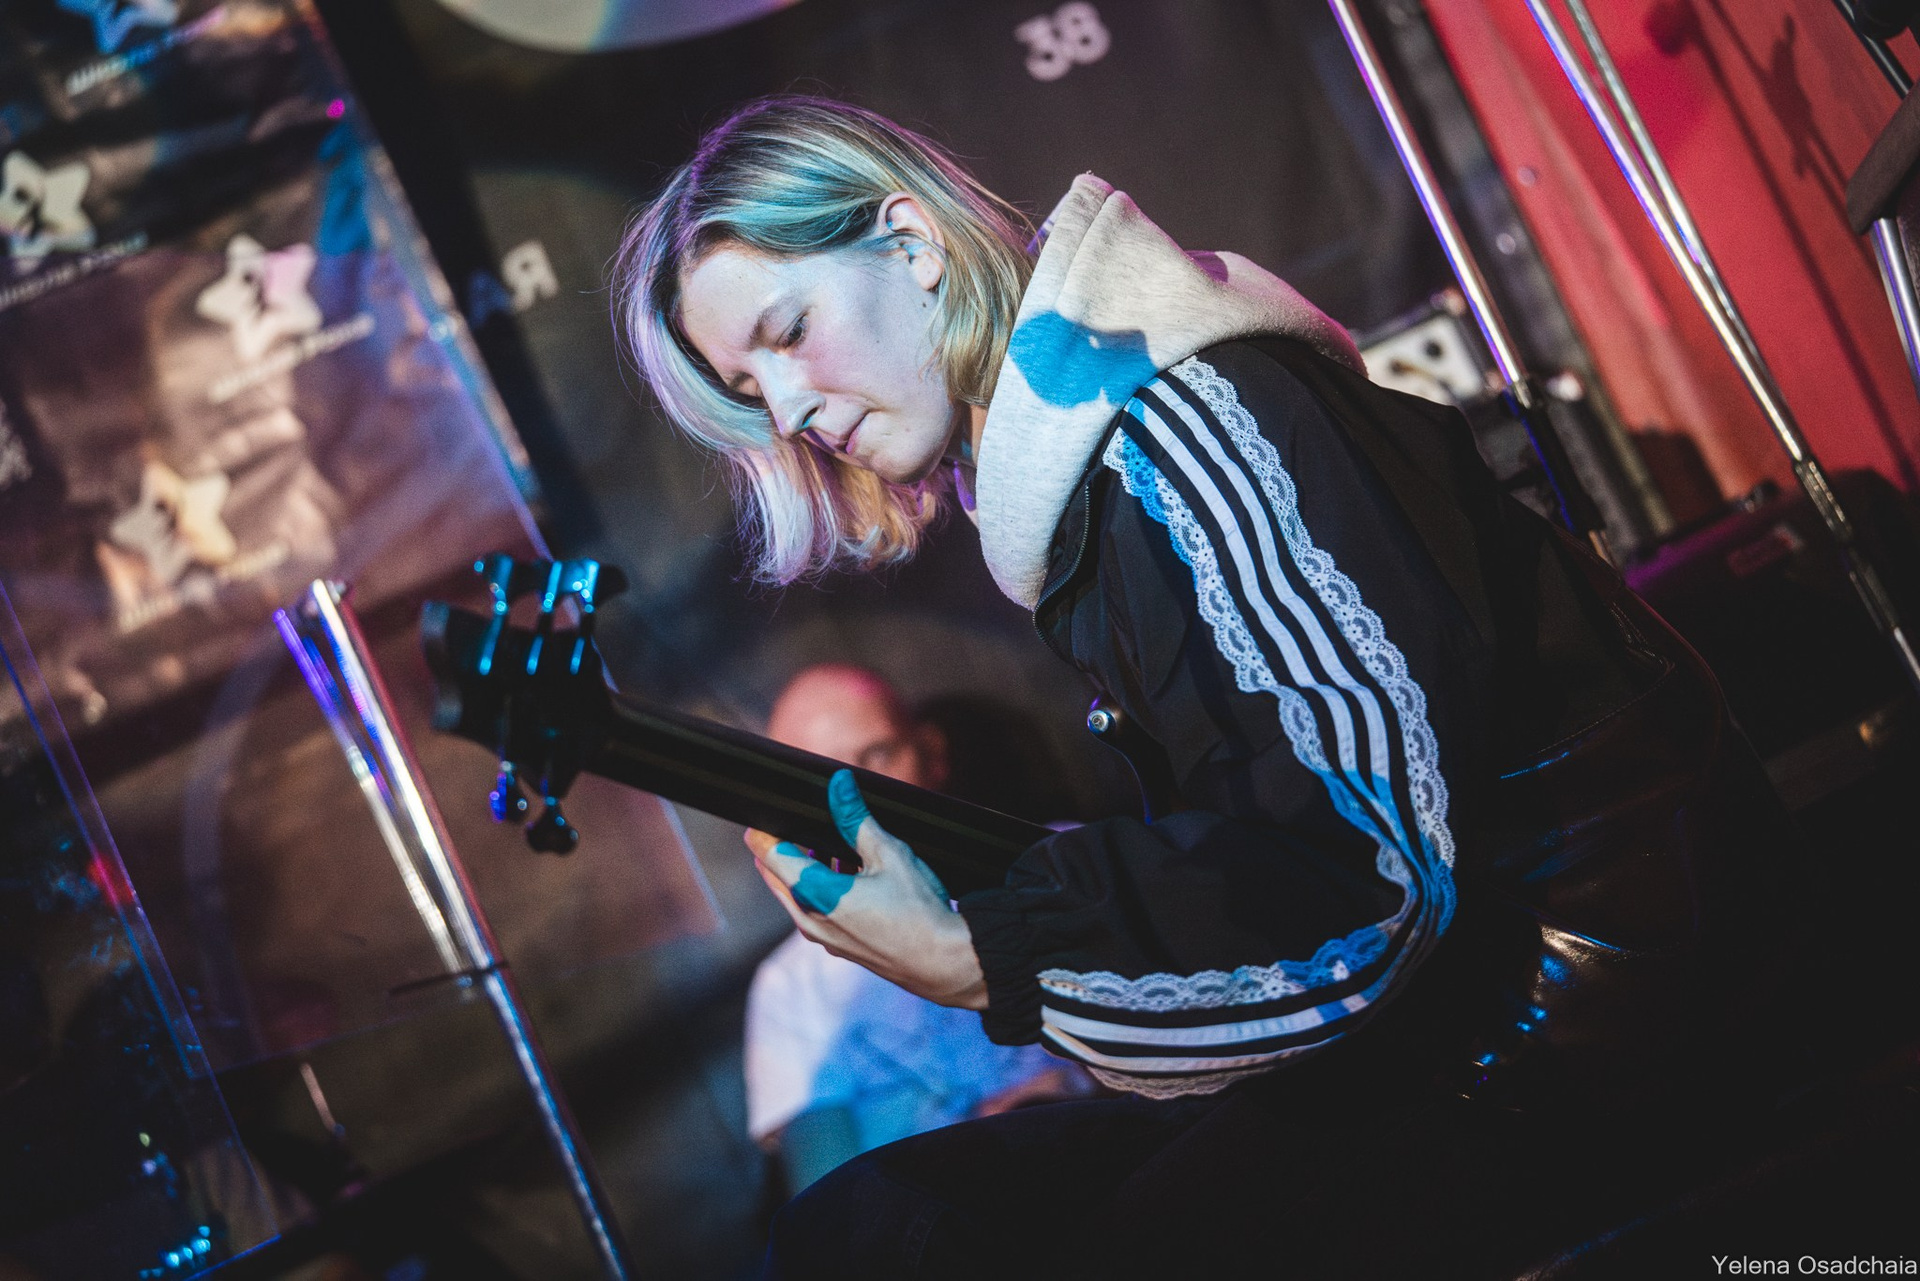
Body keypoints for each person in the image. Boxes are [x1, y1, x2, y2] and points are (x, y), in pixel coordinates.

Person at [613, 96, 1791, 1276]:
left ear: (912, 245)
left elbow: (1365, 880)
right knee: (868, 1227)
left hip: (1570, 1026)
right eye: (748, 387)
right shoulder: (1088, 464)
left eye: (788, 331)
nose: (788, 411)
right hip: (1451, 1018)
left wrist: (985, 956)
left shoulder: (1184, 422)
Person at [743, 663, 1085, 1194]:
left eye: (877, 756)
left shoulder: (1067, 861)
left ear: (932, 752)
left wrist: (1072, 1096)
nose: (852, 796)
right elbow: (831, 1200)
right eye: (818, 778)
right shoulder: (789, 985)